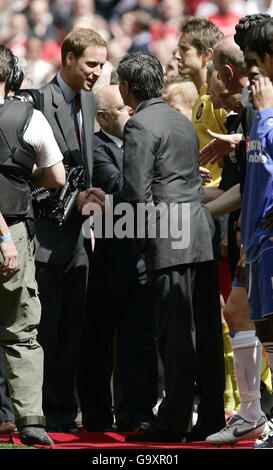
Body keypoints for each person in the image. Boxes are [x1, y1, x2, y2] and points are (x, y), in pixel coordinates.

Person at [88, 51, 226, 442]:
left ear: (127, 89)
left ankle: (174, 421)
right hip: (200, 231)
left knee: (175, 333)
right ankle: (212, 416)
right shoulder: (179, 119)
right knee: (206, 330)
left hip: (169, 240)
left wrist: (141, 245)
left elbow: (136, 193)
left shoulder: (139, 125)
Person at [34, 27, 107, 433]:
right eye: (90, 64)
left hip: (80, 235)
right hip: (46, 235)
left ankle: (62, 413)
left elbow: (86, 162)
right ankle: (39, 412)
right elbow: (33, 174)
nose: (97, 71)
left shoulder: (91, 101)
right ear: (68, 60)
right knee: (46, 328)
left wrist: (90, 207)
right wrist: (69, 202)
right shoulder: (40, 100)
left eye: (101, 64)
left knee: (72, 331)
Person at [77, 84, 158, 432]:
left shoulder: (137, 142)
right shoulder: (95, 148)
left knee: (138, 340)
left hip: (138, 258)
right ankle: (97, 415)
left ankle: (138, 413)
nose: (131, 113)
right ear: (103, 117)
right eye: (124, 108)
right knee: (97, 343)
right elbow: (118, 191)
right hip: (107, 260)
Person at [0, 43, 66, 446]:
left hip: (11, 231)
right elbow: (57, 176)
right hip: (17, 231)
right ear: (11, 78)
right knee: (21, 326)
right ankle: (30, 421)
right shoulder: (31, 116)